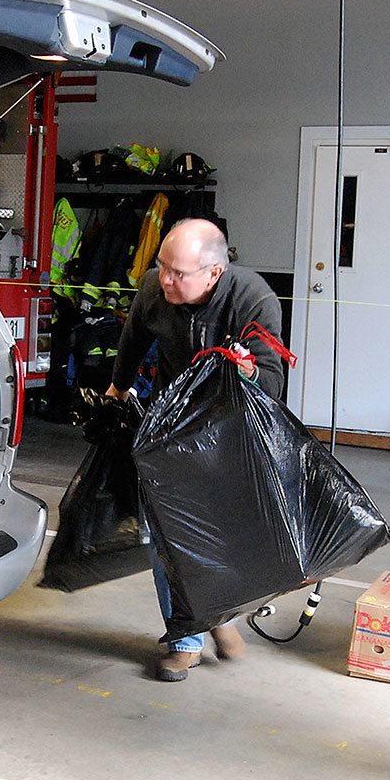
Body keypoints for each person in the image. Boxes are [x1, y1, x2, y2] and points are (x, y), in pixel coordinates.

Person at [104, 218, 285, 682]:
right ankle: (185, 639)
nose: (165, 279)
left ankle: (219, 617)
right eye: (162, 267)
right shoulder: (154, 289)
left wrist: (247, 373)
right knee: (165, 534)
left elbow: (273, 380)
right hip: (172, 427)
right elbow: (133, 340)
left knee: (217, 536)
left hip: (232, 432)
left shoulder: (254, 300)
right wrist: (117, 390)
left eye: (177, 273)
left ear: (214, 273)